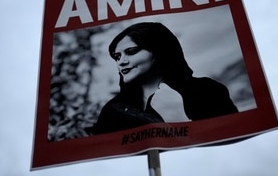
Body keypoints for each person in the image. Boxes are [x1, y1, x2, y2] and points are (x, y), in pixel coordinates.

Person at [89, 22, 238, 135]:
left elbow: (230, 142)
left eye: (131, 51)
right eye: (117, 56)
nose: (121, 61)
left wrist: (179, 119)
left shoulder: (207, 90)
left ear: (159, 51)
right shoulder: (113, 109)